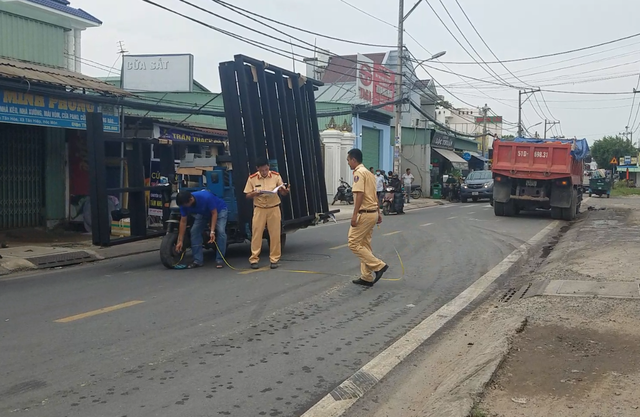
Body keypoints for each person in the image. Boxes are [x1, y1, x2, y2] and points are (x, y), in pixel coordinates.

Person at [346, 148, 389, 287]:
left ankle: (378, 266)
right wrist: (379, 212)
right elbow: (374, 195)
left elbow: (360, 194)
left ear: (354, 160)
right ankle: (366, 276)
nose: (348, 163)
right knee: (364, 244)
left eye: (348, 160)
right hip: (372, 213)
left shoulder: (359, 173)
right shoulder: (370, 174)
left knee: (353, 242)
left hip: (364, 213)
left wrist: (354, 215)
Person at [244, 158, 290, 269]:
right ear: (257, 169)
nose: (264, 172)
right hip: (259, 208)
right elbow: (247, 195)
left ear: (268, 167)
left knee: (274, 234)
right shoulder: (252, 178)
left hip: (273, 208)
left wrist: (285, 191)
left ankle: (274, 259)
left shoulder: (276, 176)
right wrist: (255, 193)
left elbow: (283, 191)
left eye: (266, 169)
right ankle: (254, 259)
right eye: (262, 170)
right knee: (256, 234)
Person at [175, 190, 228, 269]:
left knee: (221, 231)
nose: (185, 207)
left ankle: (219, 259)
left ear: (191, 200)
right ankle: (198, 260)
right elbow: (183, 222)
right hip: (203, 213)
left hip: (219, 210)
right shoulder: (184, 204)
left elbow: (214, 213)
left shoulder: (206, 197)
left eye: (186, 205)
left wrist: (212, 231)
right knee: (194, 231)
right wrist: (180, 241)